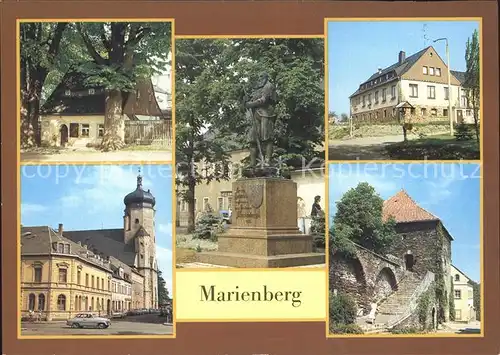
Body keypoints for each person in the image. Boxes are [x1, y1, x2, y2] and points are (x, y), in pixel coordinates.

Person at [244, 72, 278, 168]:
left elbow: (263, 100)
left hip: (267, 114)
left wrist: (251, 104)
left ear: (266, 78)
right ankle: (252, 163)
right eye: (259, 78)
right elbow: (250, 101)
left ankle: (267, 161)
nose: (260, 80)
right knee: (252, 139)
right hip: (256, 115)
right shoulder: (257, 89)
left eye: (261, 77)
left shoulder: (269, 86)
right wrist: (246, 101)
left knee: (267, 138)